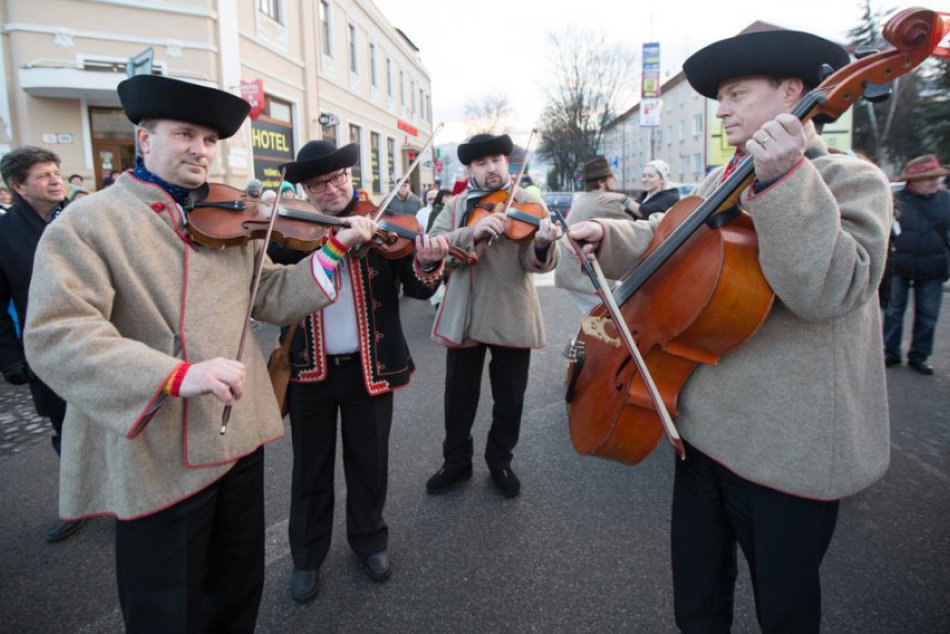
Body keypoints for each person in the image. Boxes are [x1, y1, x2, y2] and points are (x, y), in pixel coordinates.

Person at [23, 74, 376, 632]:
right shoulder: (91, 221)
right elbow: (57, 333)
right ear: (144, 139)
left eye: (210, 140)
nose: (201, 150)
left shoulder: (227, 212)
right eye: (185, 134)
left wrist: (335, 249)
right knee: (167, 606)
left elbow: (271, 294)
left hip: (236, 436)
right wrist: (172, 375)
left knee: (237, 587)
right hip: (154, 449)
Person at [568, 29, 890, 632]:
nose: (722, 110)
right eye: (721, 98)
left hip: (786, 450)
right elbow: (671, 234)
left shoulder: (848, 179)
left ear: (792, 92)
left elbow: (831, 290)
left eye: (737, 94)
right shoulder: (722, 179)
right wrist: (610, 236)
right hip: (700, 431)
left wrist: (785, 180)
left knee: (785, 611)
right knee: (697, 600)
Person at [268, 139, 448, 603]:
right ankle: (307, 556)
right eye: (317, 184)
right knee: (310, 470)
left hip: (370, 368)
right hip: (309, 369)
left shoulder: (381, 225)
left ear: (350, 177)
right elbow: (269, 288)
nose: (330, 189)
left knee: (369, 464)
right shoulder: (289, 233)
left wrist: (428, 263)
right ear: (304, 191)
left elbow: (418, 288)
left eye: (337, 178)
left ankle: (369, 541)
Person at [418, 133, 562, 498]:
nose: (490, 168)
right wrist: (472, 231)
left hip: (510, 309)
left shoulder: (529, 202)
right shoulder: (455, 205)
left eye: (496, 160)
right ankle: (456, 462)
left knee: (510, 398)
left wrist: (543, 244)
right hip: (464, 312)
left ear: (506, 162)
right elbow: (434, 247)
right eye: (481, 163)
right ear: (470, 169)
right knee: (458, 397)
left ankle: (500, 460)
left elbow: (536, 263)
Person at [0, 146, 83, 543]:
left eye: (56, 173)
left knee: (113, 427)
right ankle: (77, 504)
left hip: (101, 339)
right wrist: (9, 358)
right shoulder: (5, 233)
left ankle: (124, 502)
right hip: (47, 348)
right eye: (43, 176)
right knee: (65, 429)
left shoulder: (82, 216)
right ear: (18, 187)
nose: (55, 181)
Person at [883, 154, 950, 375]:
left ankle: (920, 356)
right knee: (893, 312)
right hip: (899, 266)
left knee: (928, 314)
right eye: (928, 178)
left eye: (936, 177)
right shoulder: (894, 199)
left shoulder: (946, 200)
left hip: (933, 266)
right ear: (913, 181)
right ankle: (890, 352)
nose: (934, 182)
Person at [554, 155, 635, 314]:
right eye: (611, 177)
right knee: (611, 320)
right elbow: (633, 228)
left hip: (569, 273)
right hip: (583, 277)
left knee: (596, 319)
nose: (614, 180)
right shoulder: (604, 201)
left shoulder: (583, 198)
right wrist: (625, 200)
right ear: (601, 182)